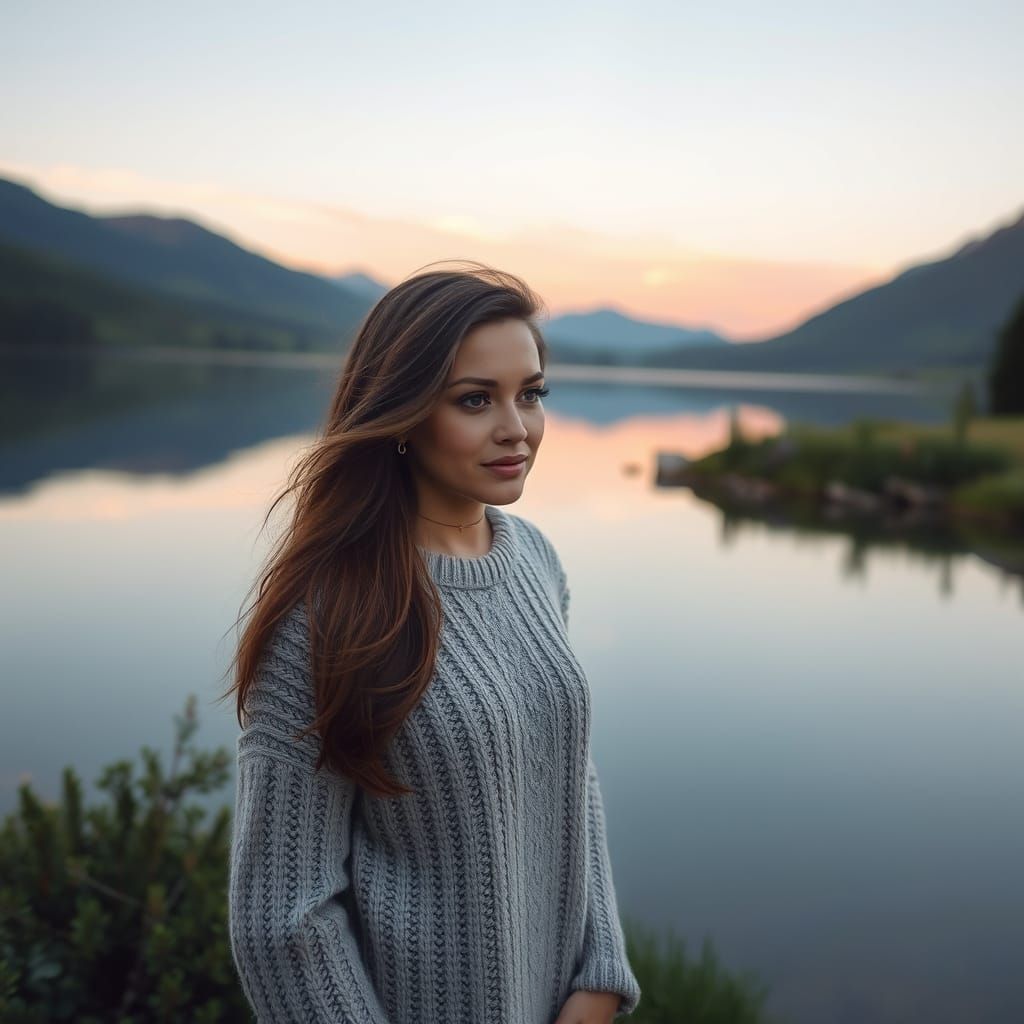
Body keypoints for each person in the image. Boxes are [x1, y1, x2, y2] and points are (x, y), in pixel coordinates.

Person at [222, 260, 641, 1023]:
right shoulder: (328, 613)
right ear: (404, 413)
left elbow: (572, 781)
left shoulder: (536, 560)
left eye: (531, 394)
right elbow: (284, 918)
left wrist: (601, 975)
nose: (516, 428)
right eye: (475, 399)